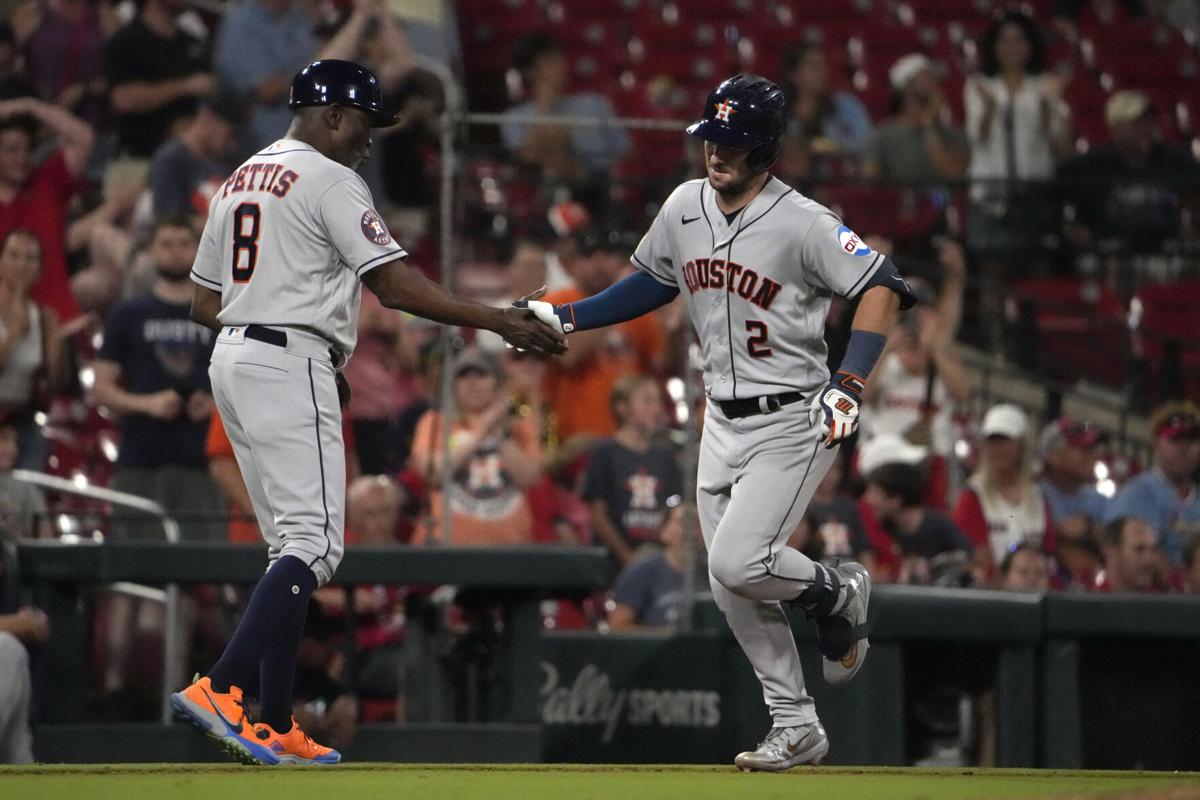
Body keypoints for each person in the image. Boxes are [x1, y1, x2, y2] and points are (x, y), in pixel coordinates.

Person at [513, 74, 916, 771]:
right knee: (729, 583)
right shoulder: (683, 205)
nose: (716, 152)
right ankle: (796, 725)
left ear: (765, 148)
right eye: (711, 138)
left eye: (732, 142)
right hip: (718, 418)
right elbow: (654, 278)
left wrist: (849, 382)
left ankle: (835, 591)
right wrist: (569, 315)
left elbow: (883, 287)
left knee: (737, 560)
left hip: (793, 416)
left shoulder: (804, 221)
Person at [170, 60, 563, 767]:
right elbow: (395, 286)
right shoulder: (329, 177)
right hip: (285, 358)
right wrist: (497, 321)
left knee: (288, 545)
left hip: (234, 354)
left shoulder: (241, 178)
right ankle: (223, 689)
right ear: (329, 115)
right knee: (316, 546)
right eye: (364, 122)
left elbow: (202, 302)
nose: (369, 140)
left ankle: (274, 721)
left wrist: (275, 322)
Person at [93, 217, 223, 541]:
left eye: (184, 244)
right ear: (150, 252)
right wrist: (147, 404)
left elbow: (248, 381)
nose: (176, 253)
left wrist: (214, 402)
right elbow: (101, 389)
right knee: (136, 566)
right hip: (141, 457)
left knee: (205, 566)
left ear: (198, 251)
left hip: (203, 460)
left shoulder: (220, 314)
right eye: (166, 245)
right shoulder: (128, 314)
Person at [408, 347, 542, 546]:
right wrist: (481, 431)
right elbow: (433, 472)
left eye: (481, 374)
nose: (472, 382)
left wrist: (500, 432)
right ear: (453, 385)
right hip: (447, 546)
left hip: (508, 548)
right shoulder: (435, 422)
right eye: (463, 376)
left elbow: (529, 477)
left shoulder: (518, 427)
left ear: (497, 383)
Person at [542, 228, 664, 444]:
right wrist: (619, 298)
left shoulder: (638, 305)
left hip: (631, 440)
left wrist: (675, 326)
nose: (599, 264)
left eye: (607, 255)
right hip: (575, 442)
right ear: (573, 264)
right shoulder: (554, 303)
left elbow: (661, 362)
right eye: (589, 256)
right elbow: (568, 355)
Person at [964, 9, 1070, 256]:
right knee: (991, 269)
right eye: (1004, 40)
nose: (1012, 46)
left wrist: (1047, 105)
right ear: (994, 46)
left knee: (1036, 267)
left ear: (1031, 45)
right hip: (990, 193)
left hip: (1034, 189)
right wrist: (989, 107)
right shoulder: (980, 84)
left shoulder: (1045, 85)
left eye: (1020, 39)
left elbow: (1059, 144)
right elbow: (976, 137)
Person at [500, 32, 630, 214]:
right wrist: (544, 106)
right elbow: (527, 160)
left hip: (597, 189)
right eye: (548, 63)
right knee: (553, 137)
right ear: (530, 72)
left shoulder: (595, 104)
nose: (559, 67)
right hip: (544, 196)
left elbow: (625, 152)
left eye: (558, 60)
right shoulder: (514, 118)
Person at [1057, 90, 1200, 254]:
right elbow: (1061, 205)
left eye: (1149, 120)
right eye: (1136, 122)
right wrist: (1075, 229)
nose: (1147, 127)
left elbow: (1193, 202)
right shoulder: (1090, 167)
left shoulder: (1178, 162)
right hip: (1110, 258)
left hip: (1168, 257)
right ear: (1115, 127)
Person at [0, 96, 93, 322]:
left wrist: (29, 106)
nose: (21, 158)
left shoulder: (47, 183)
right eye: (11, 150)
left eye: (28, 149)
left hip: (58, 317)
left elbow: (83, 138)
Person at [583, 374, 683, 568]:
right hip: (613, 563)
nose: (656, 409)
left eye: (657, 401)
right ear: (622, 407)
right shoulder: (605, 453)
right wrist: (626, 556)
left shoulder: (665, 456)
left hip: (658, 559)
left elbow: (673, 508)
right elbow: (598, 514)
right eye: (647, 401)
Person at [953, 404, 1055, 577]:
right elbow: (973, 555)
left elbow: (1049, 549)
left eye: (1005, 440)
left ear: (1022, 446)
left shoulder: (1037, 496)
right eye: (993, 440)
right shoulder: (973, 496)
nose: (998, 448)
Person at [104, 0, 214, 159]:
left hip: (189, 157)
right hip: (139, 158)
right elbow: (124, 99)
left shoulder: (192, 44)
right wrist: (186, 86)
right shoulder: (124, 42)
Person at [214, 0, 319, 152]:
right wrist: (319, 67)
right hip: (261, 144)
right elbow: (268, 90)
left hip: (308, 138)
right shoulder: (241, 23)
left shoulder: (299, 18)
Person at [0, 230, 66, 470]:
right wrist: (12, 335)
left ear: (39, 270)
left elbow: (55, 381)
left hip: (21, 416)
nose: (21, 265)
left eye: (30, 258)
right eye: (14, 256)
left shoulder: (45, 317)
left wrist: (55, 350)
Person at [1105, 402, 1200, 567]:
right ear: (1156, 444)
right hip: (1153, 591)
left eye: (1192, 440)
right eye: (1175, 440)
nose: (1184, 448)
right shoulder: (1136, 494)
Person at [859, 462, 973, 586]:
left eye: (875, 492)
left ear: (895, 499)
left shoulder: (939, 526)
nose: (868, 499)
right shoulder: (880, 529)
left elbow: (969, 558)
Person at [862, 53, 970, 184]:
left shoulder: (954, 133)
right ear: (906, 86)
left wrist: (929, 126)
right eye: (927, 77)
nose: (935, 83)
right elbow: (869, 184)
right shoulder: (883, 136)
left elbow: (956, 175)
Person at [607, 502, 706, 631]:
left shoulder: (717, 572)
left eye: (697, 525)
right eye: (683, 523)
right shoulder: (640, 571)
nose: (691, 532)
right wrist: (668, 636)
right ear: (664, 532)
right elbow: (616, 626)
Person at [149, 93, 245, 219]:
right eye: (230, 134)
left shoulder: (230, 160)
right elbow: (168, 221)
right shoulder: (171, 159)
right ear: (208, 117)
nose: (233, 143)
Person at [781, 43, 872, 160]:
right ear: (793, 74)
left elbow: (866, 143)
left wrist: (829, 147)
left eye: (823, 65)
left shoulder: (846, 107)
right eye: (813, 66)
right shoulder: (779, 113)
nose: (821, 72)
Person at [1038, 417, 1109, 538]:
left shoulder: (1100, 501)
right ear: (1053, 455)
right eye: (1083, 449)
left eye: (1093, 449)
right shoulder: (1034, 495)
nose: (1093, 455)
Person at [0, 414, 50, 538]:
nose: (11, 448)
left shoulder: (26, 486)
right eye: (4, 439)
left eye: (15, 442)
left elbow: (44, 534)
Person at [1094, 516, 1166, 593]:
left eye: (1153, 550)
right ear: (1112, 553)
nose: (1149, 559)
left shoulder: (1162, 599)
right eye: (1139, 549)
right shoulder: (1088, 595)